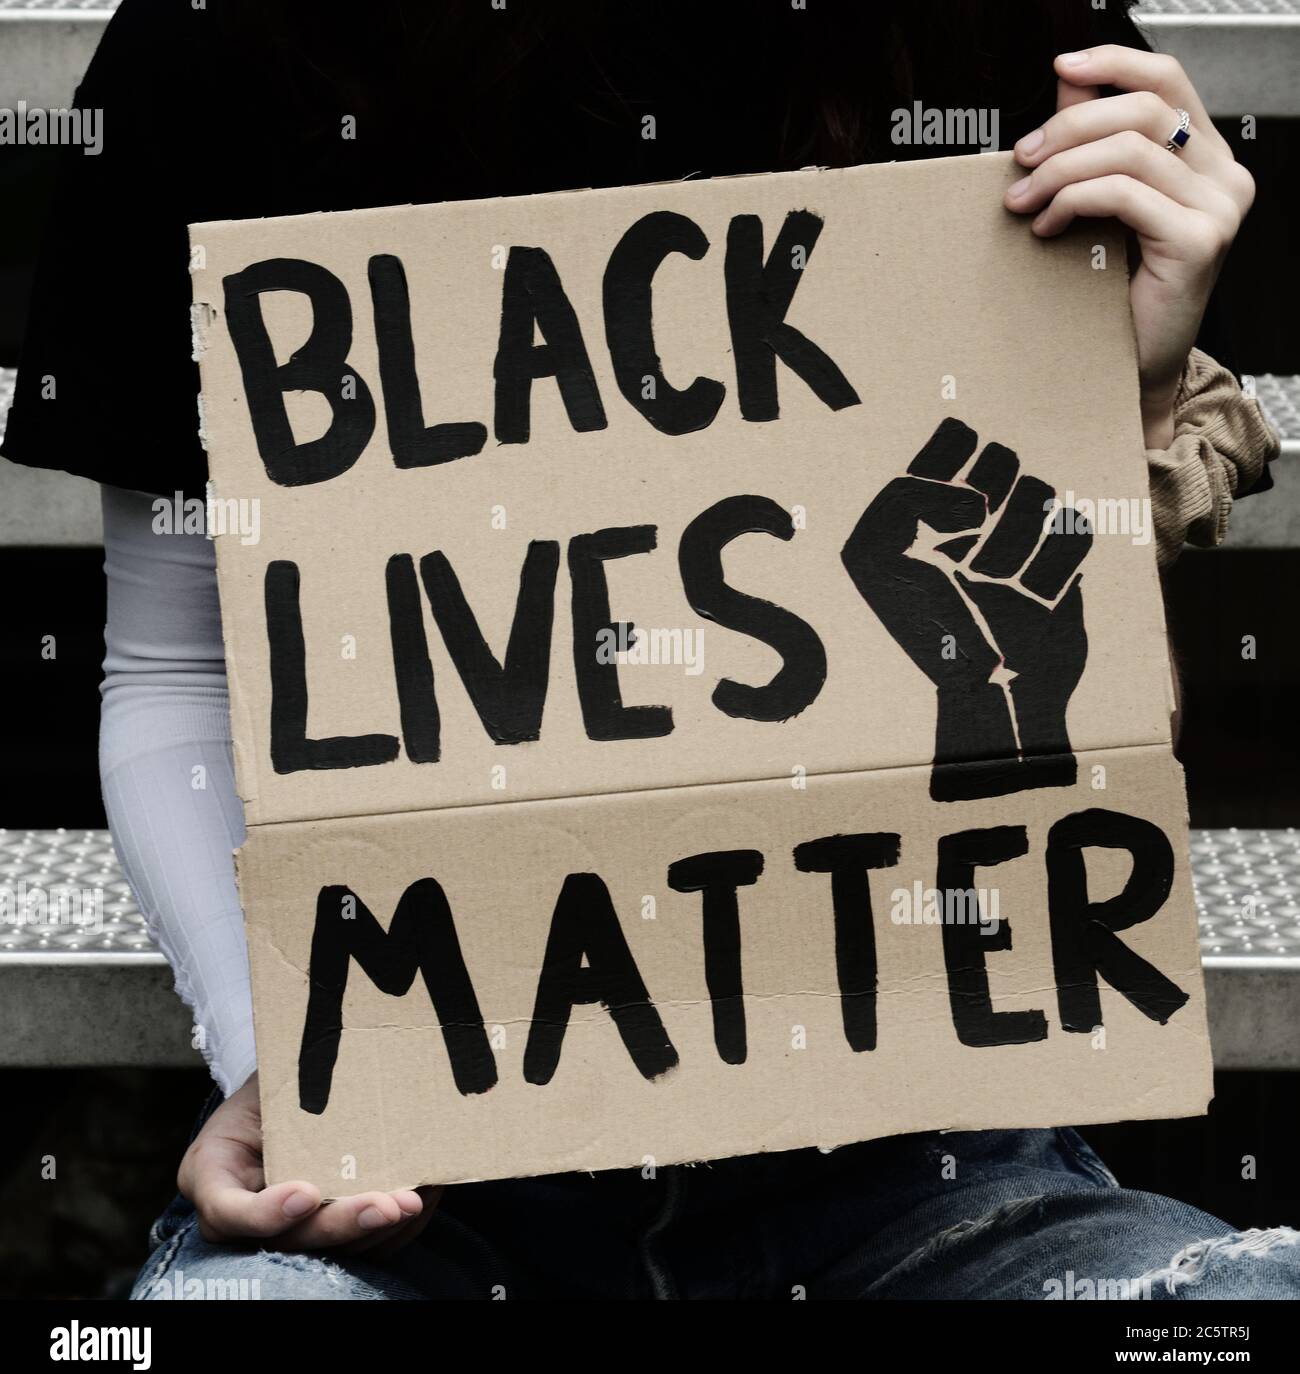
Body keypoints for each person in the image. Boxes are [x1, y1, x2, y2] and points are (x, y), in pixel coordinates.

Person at [3, 0, 1288, 1299]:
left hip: (912, 1151)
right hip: (431, 1145)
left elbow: (1073, 726)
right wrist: (287, 1065)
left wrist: (1116, 397)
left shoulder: (985, 31)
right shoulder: (225, 47)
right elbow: (178, 671)